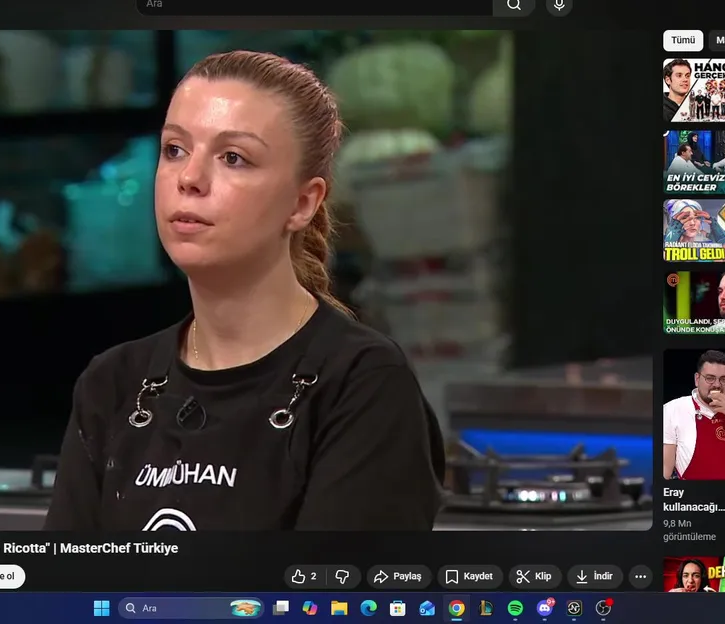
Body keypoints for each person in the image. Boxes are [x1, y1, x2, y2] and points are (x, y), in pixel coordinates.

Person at [45, 51, 447, 531]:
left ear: (302, 203)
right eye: (175, 149)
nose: (189, 179)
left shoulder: (362, 385)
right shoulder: (114, 384)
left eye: (233, 158)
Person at [662, 350, 725, 481]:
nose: (717, 385)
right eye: (710, 378)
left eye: (724, 379)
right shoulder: (672, 410)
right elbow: (665, 470)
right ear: (697, 379)